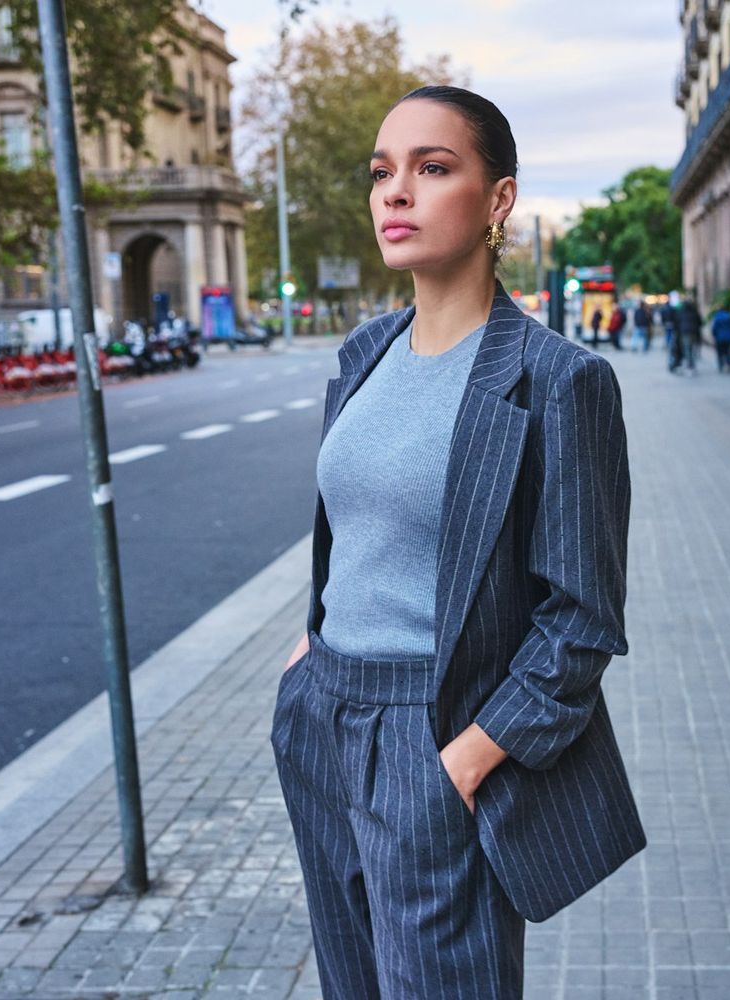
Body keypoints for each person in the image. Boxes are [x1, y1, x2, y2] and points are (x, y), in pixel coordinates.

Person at [271, 85, 645, 1000]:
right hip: (322, 721)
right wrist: (306, 656)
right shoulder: (364, 355)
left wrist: (470, 758)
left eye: (432, 169)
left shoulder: (556, 380)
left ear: (499, 200)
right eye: (381, 172)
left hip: (434, 734)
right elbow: (352, 532)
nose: (395, 192)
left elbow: (582, 619)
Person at [671, 294, 702, 375]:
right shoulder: (694, 312)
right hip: (694, 333)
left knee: (687, 349)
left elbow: (676, 322)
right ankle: (692, 365)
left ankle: (690, 365)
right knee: (692, 349)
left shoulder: (681, 312)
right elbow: (700, 322)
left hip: (684, 333)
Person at [711, 303, 730, 373]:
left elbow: (714, 328)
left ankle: (721, 366)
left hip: (719, 337)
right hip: (728, 337)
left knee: (720, 352)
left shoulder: (717, 317)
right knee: (728, 352)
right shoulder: (729, 316)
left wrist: (714, 335)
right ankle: (729, 365)